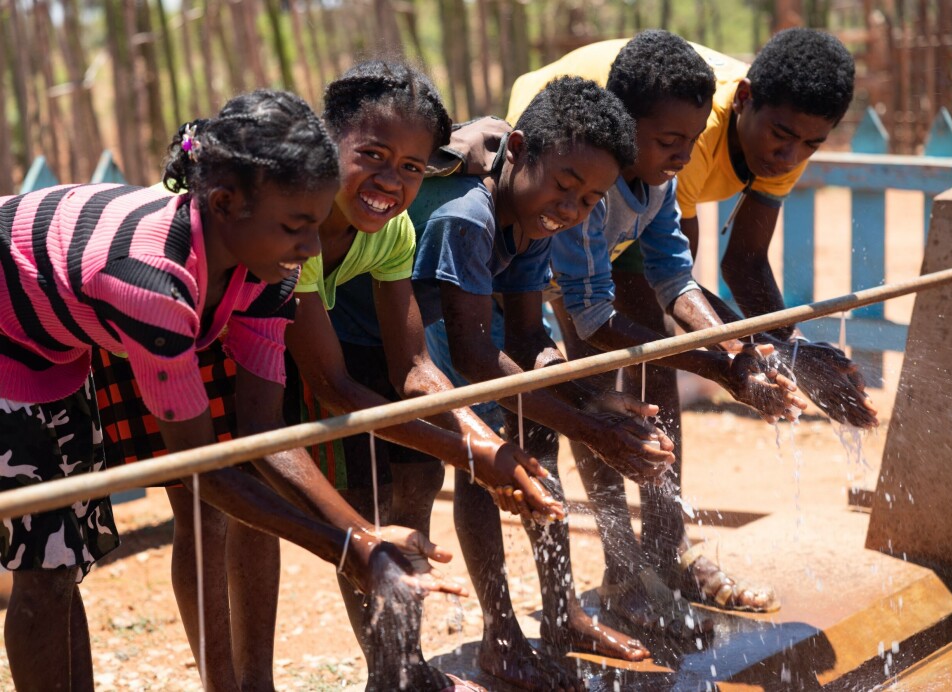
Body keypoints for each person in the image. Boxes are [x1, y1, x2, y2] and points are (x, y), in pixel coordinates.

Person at [1, 89, 462, 692]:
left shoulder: (270, 269)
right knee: (42, 569)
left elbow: (263, 437)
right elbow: (207, 470)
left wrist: (362, 537)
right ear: (223, 204)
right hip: (11, 338)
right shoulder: (151, 285)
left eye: (316, 223)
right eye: (296, 227)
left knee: (60, 559)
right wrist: (350, 547)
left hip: (56, 344)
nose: (309, 248)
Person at [503, 29, 877, 627]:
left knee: (656, 360)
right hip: (572, 154)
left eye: (810, 145)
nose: (788, 156)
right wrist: (730, 362)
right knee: (594, 381)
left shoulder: (685, 153)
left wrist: (778, 352)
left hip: (633, 168)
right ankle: (625, 571)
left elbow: (698, 278)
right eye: (781, 138)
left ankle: (666, 553)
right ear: (747, 100)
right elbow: (601, 317)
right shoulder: (682, 141)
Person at [284, 60, 564, 690]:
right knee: (247, 518)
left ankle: (400, 669)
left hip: (335, 341)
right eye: (373, 155)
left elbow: (413, 367)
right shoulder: (292, 228)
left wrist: (484, 446)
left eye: (412, 167)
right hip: (191, 347)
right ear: (326, 143)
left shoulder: (393, 230)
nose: (391, 180)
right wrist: (476, 453)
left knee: (414, 481)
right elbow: (331, 385)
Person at [401, 75, 668, 689]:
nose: (572, 209)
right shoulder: (469, 216)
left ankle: (562, 612)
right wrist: (590, 425)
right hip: (415, 320)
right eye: (565, 185)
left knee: (537, 437)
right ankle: (500, 636)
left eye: (590, 200)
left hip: (466, 313)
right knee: (485, 455)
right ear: (518, 150)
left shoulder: (530, 217)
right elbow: (473, 359)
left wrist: (588, 400)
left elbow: (526, 336)